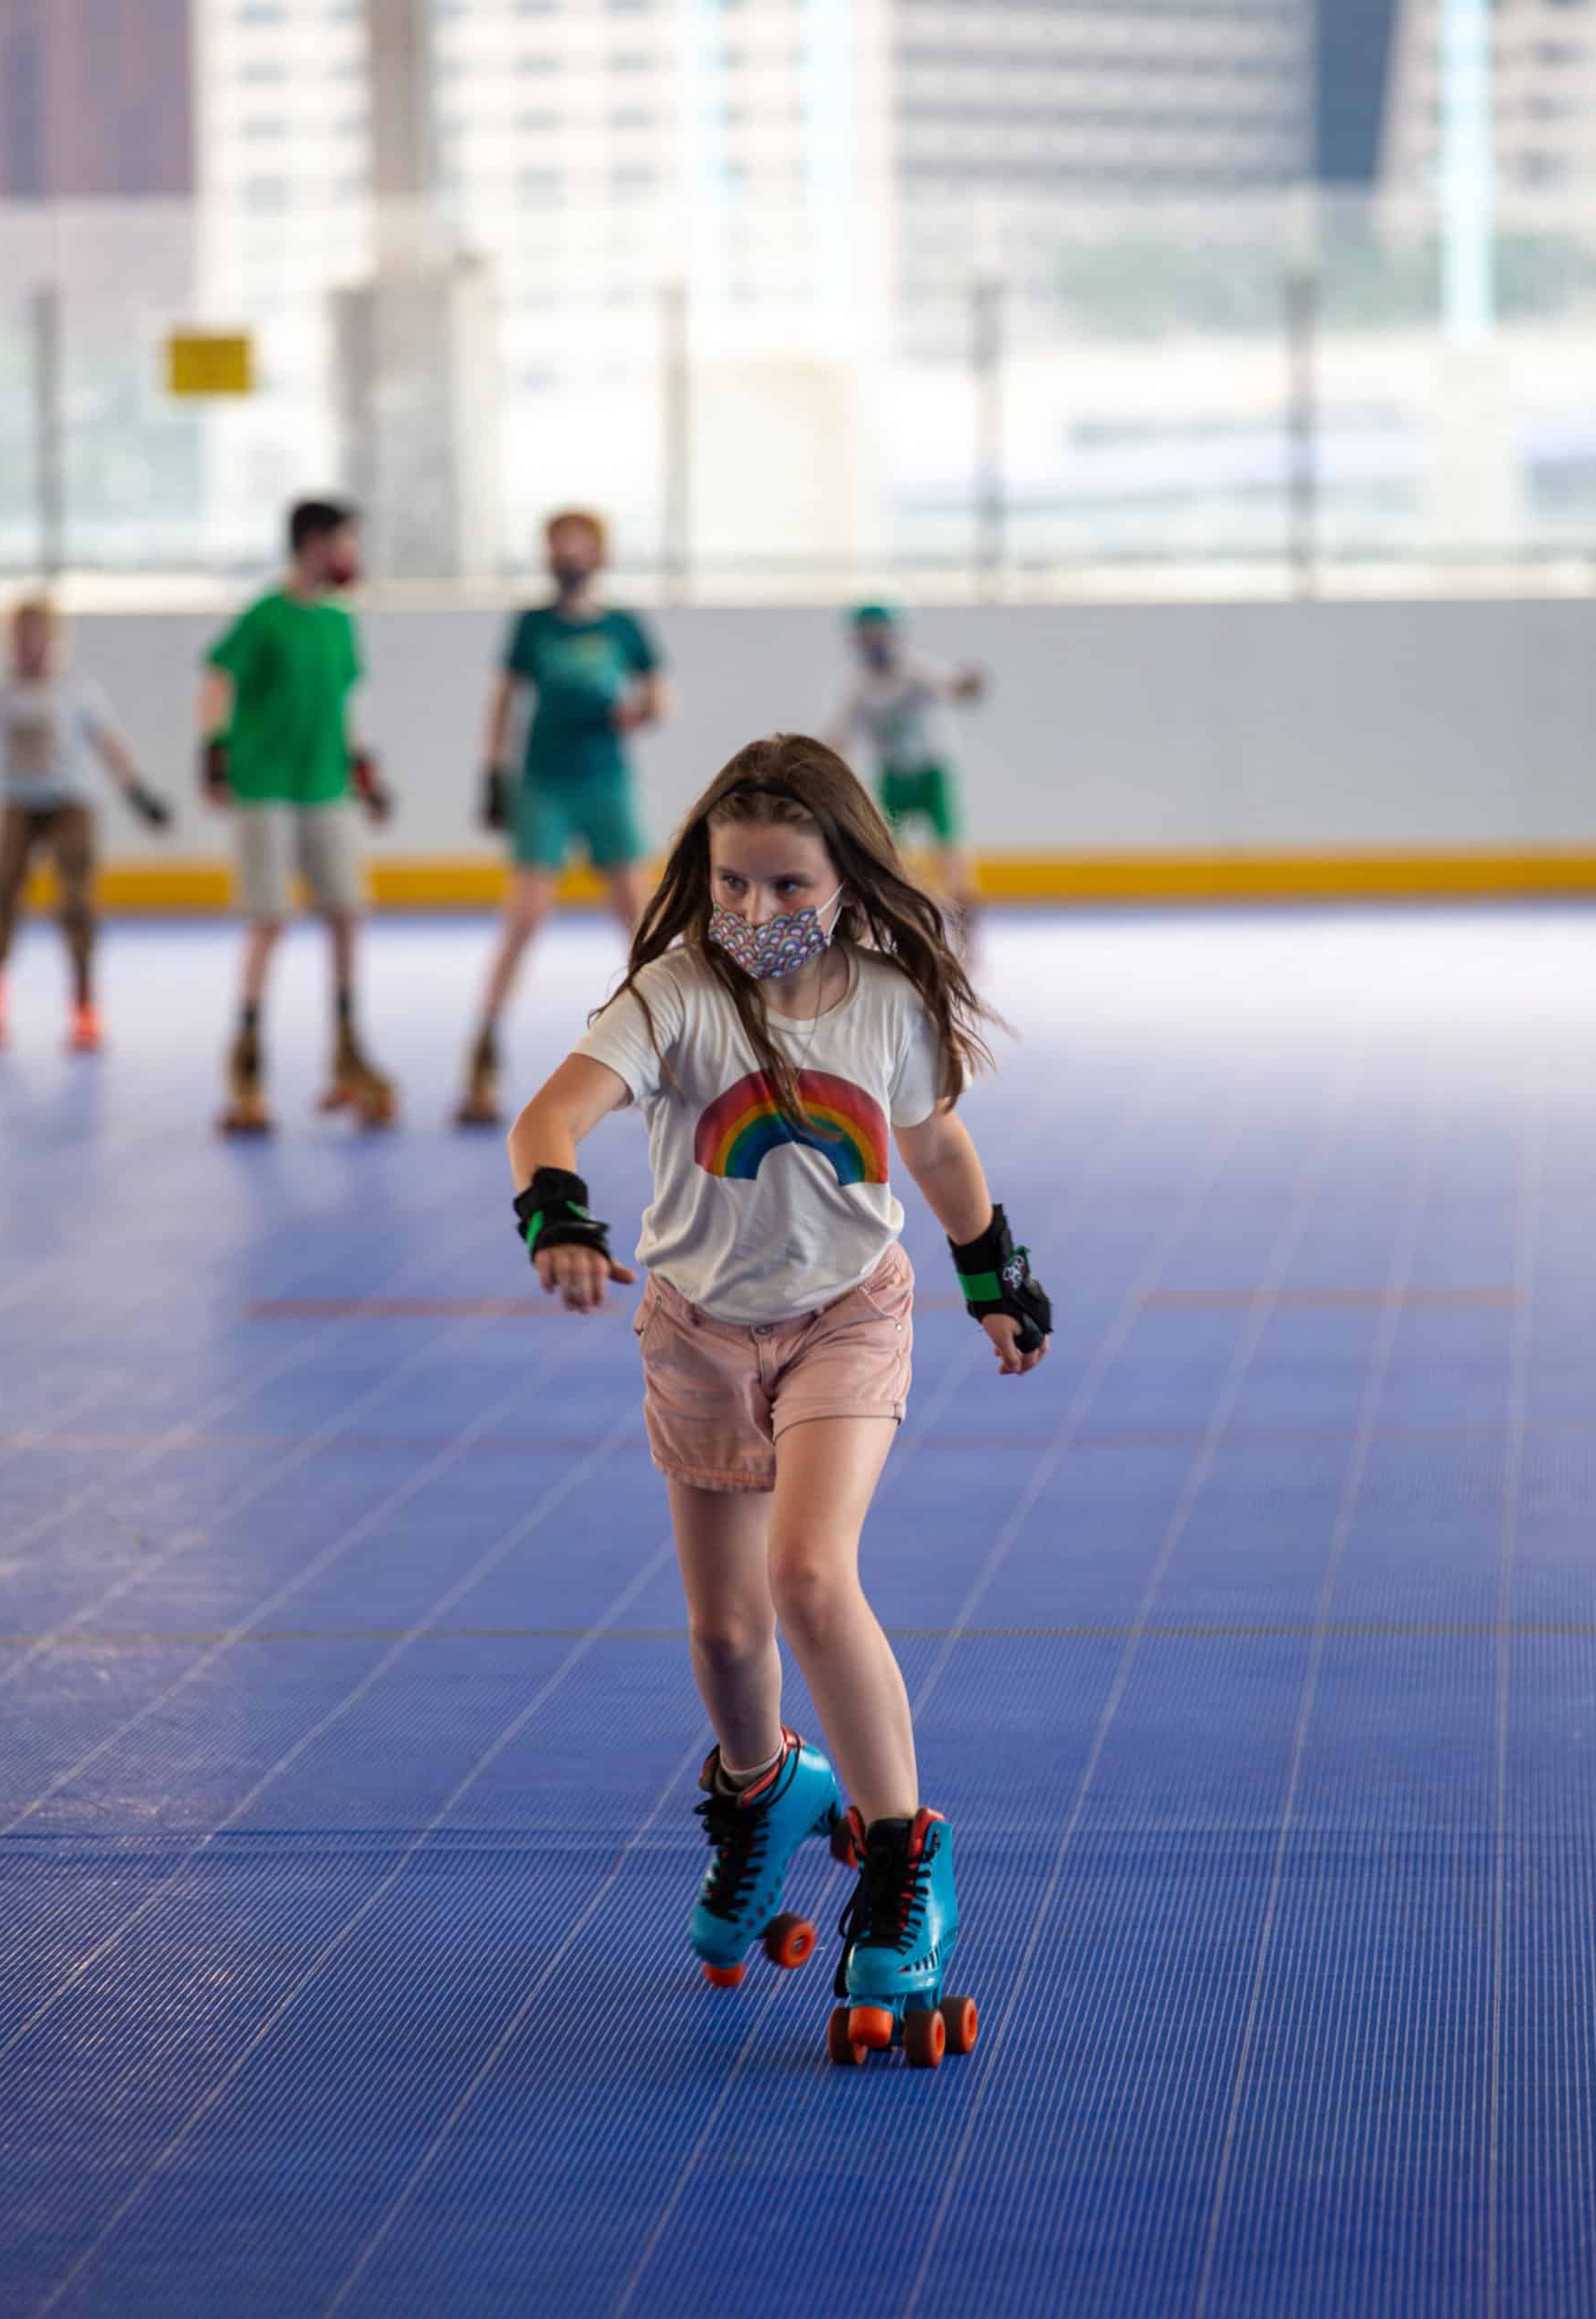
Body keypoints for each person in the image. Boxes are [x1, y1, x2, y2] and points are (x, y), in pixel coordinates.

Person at [506, 733, 1053, 2068]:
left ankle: (902, 1868)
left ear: (850, 883)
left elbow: (934, 1143)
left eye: (789, 888)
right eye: (733, 886)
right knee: (726, 1636)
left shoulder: (887, 1005)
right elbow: (548, 1118)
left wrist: (991, 1268)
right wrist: (557, 1215)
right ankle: (765, 1790)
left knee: (811, 1575)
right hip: (695, 1332)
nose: (757, 914)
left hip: (844, 1322)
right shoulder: (671, 997)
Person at [454, 508, 669, 1128]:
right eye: (557, 548)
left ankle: (667, 1045)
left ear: (600, 556)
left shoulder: (624, 626)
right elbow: (504, 698)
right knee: (525, 916)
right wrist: (492, 774)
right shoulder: (532, 625)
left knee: (639, 918)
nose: (567, 559)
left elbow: (658, 693)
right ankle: (484, 1050)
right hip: (544, 782)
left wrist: (643, 711)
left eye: (578, 548)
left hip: (607, 781)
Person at [198, 498, 396, 1136]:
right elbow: (216, 680)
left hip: (325, 786)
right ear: (314, 544)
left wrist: (365, 768)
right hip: (264, 788)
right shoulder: (265, 616)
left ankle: (346, 1049)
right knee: (270, 920)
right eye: (344, 542)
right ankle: (247, 1061)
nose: (351, 557)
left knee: (346, 912)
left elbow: (346, 704)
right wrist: (214, 750)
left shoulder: (339, 623)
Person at [0, 597, 172, 1054]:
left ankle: (84, 1003)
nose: (30, 650)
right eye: (20, 641)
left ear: (56, 643)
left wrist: (138, 795)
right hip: (18, 807)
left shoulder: (76, 693)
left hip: (71, 807)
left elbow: (109, 745)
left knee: (77, 902)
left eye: (39, 640)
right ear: (8, 644)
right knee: (1, 895)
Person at [828, 605, 985, 944]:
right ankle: (886, 931)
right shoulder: (861, 687)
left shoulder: (916, 671)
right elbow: (842, 734)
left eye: (879, 633)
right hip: (892, 778)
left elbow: (954, 687)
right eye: (867, 635)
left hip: (931, 773)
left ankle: (969, 936)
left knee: (951, 856)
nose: (874, 642)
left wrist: (968, 684)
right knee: (884, 858)